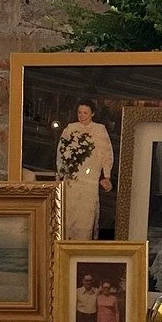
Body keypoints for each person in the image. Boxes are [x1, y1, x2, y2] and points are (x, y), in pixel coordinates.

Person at [57, 100, 114, 239]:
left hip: (90, 179)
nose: (82, 116)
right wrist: (61, 173)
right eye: (79, 112)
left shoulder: (99, 130)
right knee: (70, 212)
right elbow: (61, 152)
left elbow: (107, 153)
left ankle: (84, 242)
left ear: (92, 113)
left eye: (85, 113)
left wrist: (106, 175)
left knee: (86, 213)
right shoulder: (70, 129)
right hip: (72, 179)